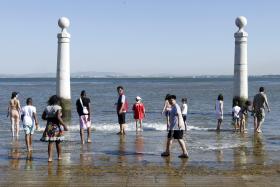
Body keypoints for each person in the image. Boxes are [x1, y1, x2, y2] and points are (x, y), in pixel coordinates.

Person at [40, 95, 68, 162]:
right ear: (57, 101)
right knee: (58, 142)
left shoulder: (47, 108)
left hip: (49, 126)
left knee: (50, 142)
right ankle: (59, 157)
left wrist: (49, 118)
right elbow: (58, 117)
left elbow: (43, 117)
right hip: (57, 126)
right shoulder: (58, 107)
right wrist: (64, 125)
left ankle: (50, 158)